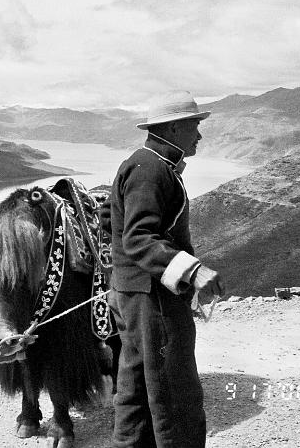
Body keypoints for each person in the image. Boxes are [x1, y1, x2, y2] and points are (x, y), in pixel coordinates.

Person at [109, 90, 225, 448]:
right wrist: (193, 272)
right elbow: (139, 237)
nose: (200, 136)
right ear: (174, 129)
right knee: (175, 391)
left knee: (139, 388)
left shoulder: (150, 164)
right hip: (152, 296)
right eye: (194, 127)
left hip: (136, 292)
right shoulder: (151, 170)